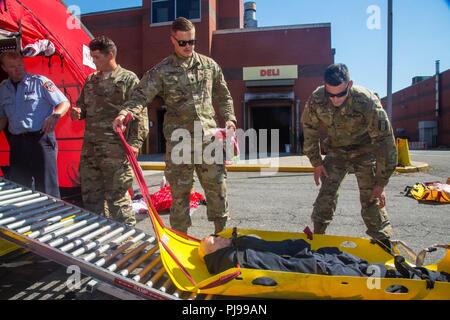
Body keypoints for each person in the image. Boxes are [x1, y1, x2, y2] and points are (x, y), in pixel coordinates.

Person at [112, 17, 237, 234]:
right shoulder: (162, 70)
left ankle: (222, 238)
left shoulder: (209, 66)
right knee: (180, 195)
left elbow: (224, 95)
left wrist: (230, 119)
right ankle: (181, 241)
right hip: (180, 142)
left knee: (218, 189)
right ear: (172, 40)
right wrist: (125, 113)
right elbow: (141, 95)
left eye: (192, 42)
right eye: (183, 43)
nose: (188, 47)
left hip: (209, 139)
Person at [300, 63, 397, 249]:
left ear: (349, 85)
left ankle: (384, 245)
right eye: (331, 94)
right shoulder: (317, 98)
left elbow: (385, 142)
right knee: (326, 194)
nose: (335, 99)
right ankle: (318, 238)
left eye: (340, 94)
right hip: (336, 151)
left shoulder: (366, 100)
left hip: (365, 150)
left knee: (371, 198)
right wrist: (316, 162)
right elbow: (309, 128)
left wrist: (381, 182)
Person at [71, 36, 149, 226]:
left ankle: (129, 240)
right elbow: (83, 106)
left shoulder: (128, 79)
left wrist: (135, 144)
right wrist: (78, 112)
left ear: (110, 55)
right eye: (92, 57)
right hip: (91, 150)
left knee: (117, 198)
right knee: (91, 197)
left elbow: (140, 114)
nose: (93, 61)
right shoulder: (90, 80)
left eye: (96, 57)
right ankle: (99, 236)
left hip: (116, 151)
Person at [198, 235, 450, 284]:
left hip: (312, 259)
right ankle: (434, 280)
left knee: (348, 258)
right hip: (315, 270)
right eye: (215, 241)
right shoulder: (230, 260)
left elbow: (274, 249)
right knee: (369, 276)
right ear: (214, 252)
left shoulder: (239, 245)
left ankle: (418, 275)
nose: (219, 238)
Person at [0, 51, 70, 198]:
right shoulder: (3, 88)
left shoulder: (39, 81)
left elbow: (64, 102)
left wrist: (55, 115)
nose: (18, 69)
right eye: (12, 66)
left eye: (20, 64)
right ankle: (27, 217)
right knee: (19, 186)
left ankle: (51, 217)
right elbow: (3, 118)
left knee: (46, 186)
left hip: (40, 140)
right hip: (17, 143)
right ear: (4, 68)